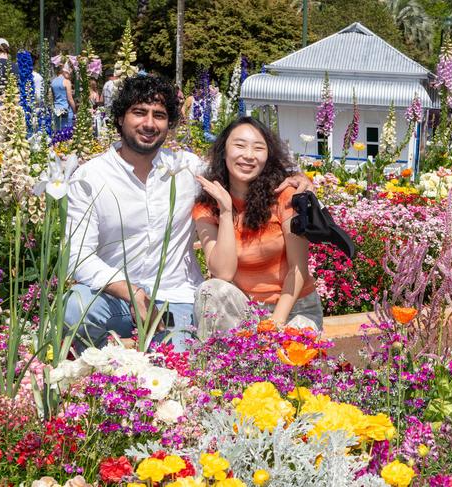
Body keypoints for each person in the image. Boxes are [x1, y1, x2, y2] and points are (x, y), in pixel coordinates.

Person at [64, 76, 311, 354]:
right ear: (120, 118)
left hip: (177, 299)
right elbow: (76, 256)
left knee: (177, 363)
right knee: (74, 308)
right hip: (117, 298)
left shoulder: (187, 169)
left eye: (159, 115)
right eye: (139, 112)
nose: (149, 123)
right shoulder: (90, 178)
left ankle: (139, 353)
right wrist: (129, 291)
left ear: (169, 125)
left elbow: (239, 164)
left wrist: (297, 178)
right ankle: (107, 356)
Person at [192, 117, 323, 337]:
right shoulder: (207, 205)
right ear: (224, 151)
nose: (249, 155)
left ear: (267, 156)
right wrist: (225, 211)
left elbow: (297, 268)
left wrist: (273, 326)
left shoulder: (286, 196)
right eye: (240, 145)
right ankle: (218, 369)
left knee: (290, 356)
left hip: (293, 308)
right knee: (210, 290)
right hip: (242, 309)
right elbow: (223, 273)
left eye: (258, 148)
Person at [51, 64, 75, 130]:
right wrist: (75, 111)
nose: (70, 76)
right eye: (69, 73)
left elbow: (53, 98)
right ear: (64, 72)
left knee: (58, 132)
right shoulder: (67, 82)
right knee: (67, 133)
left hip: (56, 110)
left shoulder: (53, 82)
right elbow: (70, 99)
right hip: (66, 111)